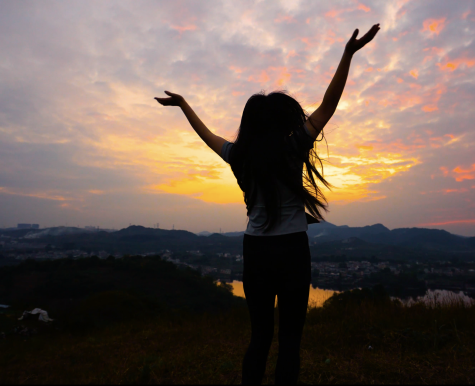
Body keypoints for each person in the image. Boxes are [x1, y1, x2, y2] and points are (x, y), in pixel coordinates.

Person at [155, 23, 381, 385]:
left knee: (259, 338)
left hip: (256, 251)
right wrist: (347, 54)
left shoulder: (238, 156)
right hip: (292, 250)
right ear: (282, 122)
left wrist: (184, 105)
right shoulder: (293, 148)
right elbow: (328, 106)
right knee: (290, 342)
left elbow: (207, 136)